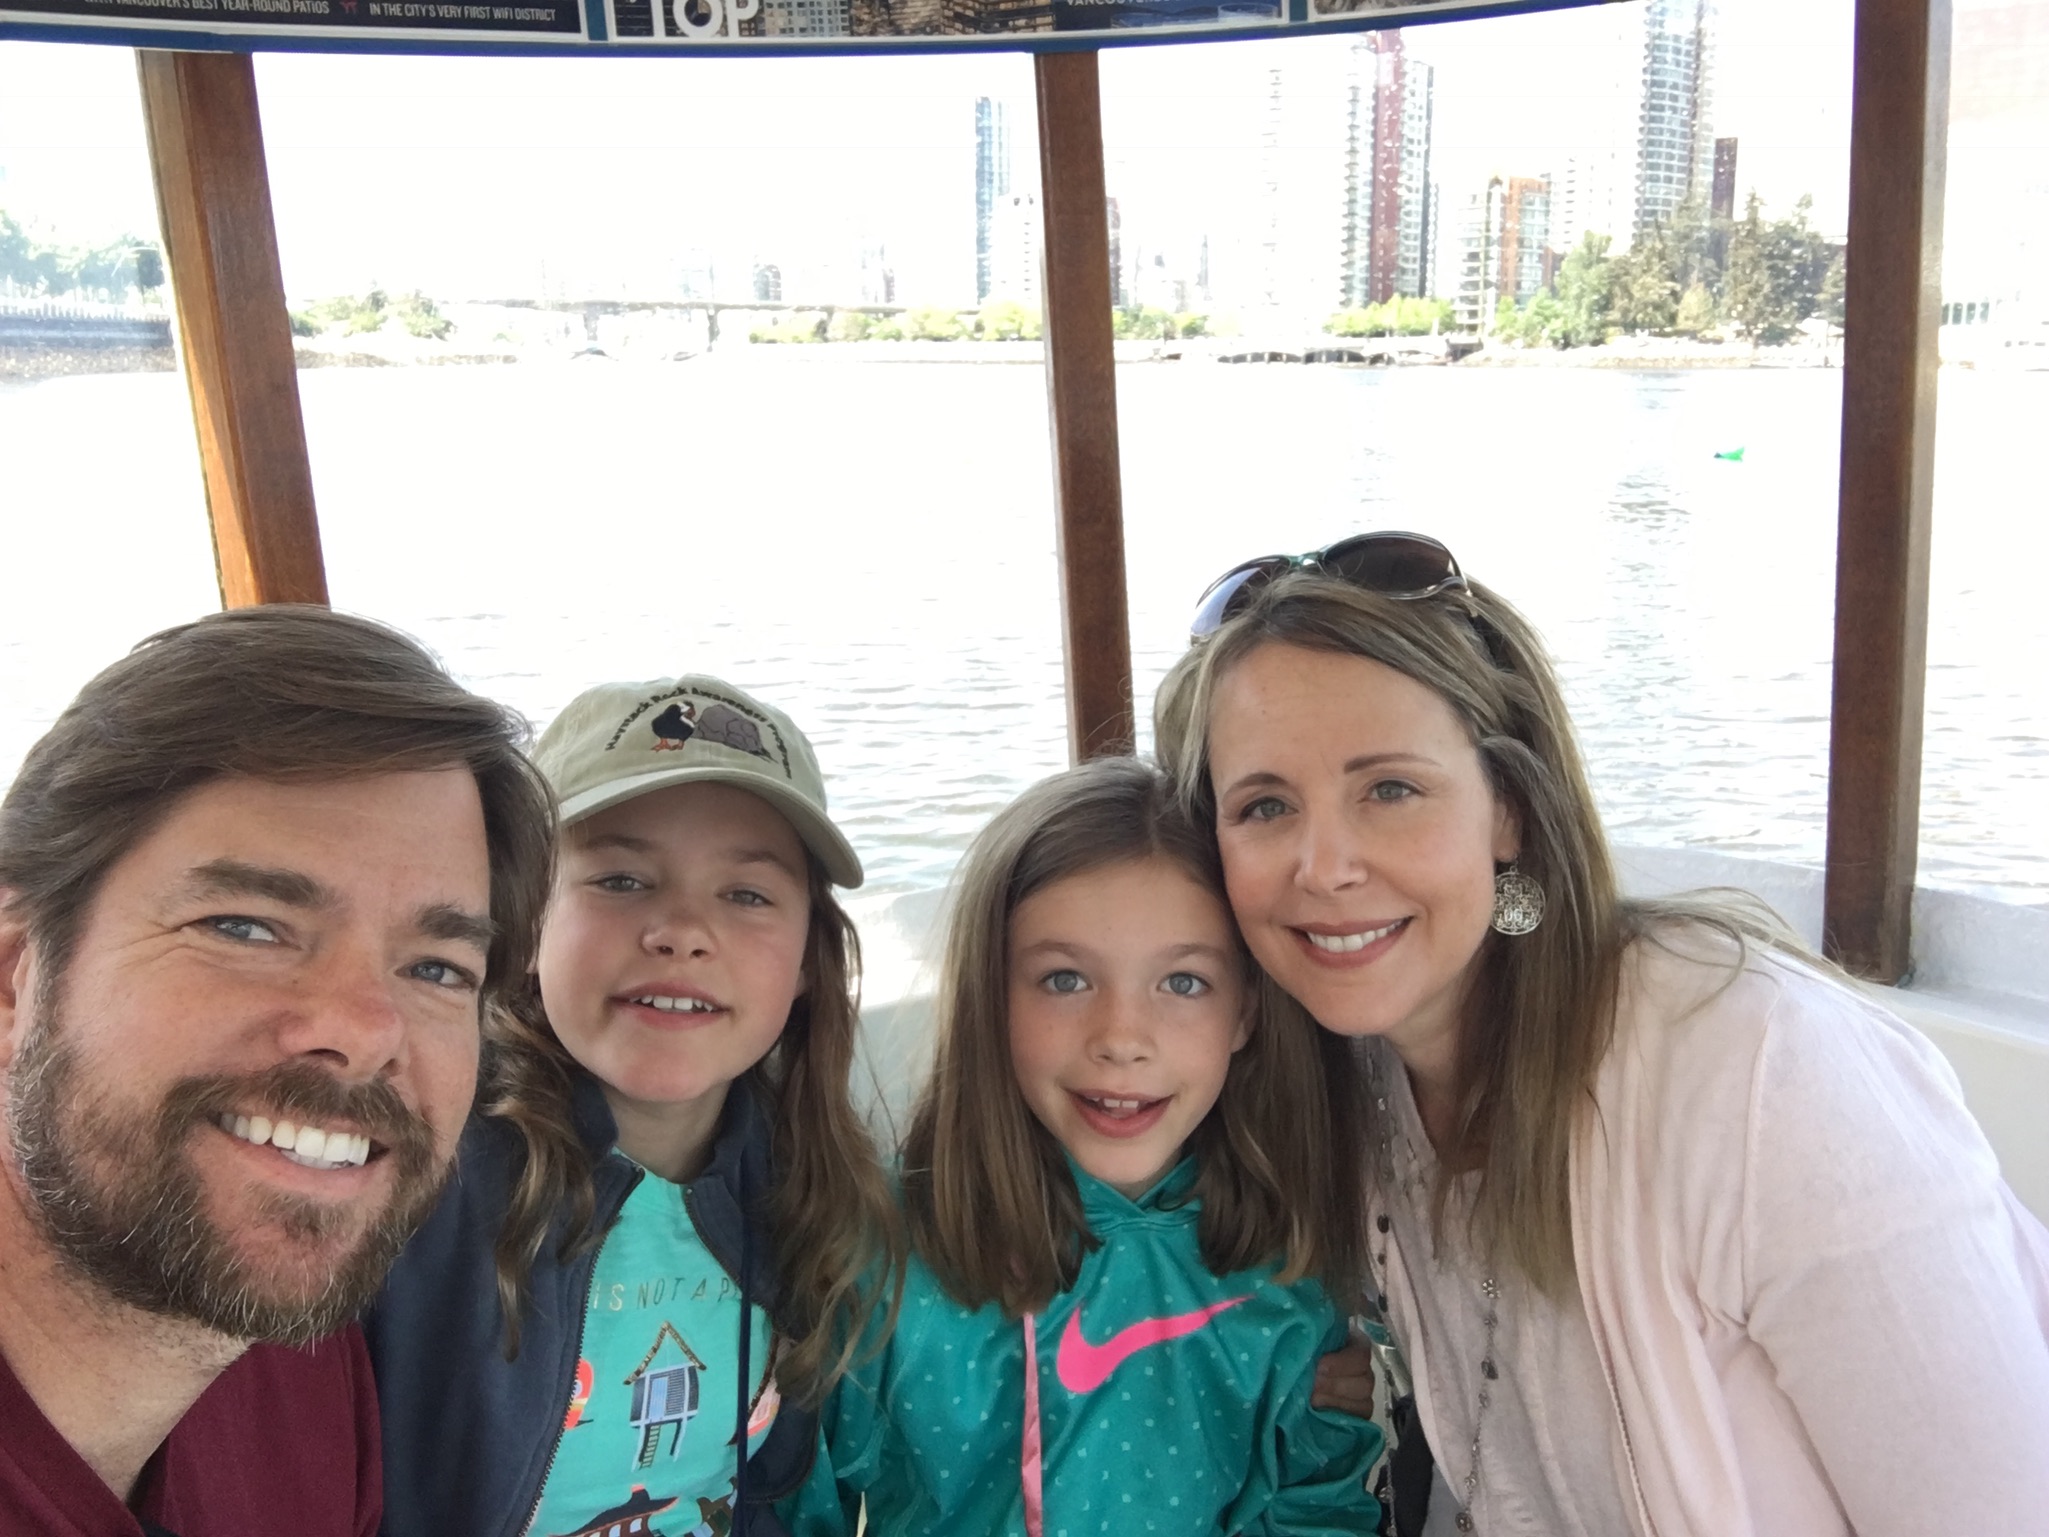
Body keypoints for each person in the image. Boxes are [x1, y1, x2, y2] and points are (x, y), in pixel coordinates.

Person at [1154, 531, 2049, 1537]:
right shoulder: (1357, 1082)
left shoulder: (1757, 1069)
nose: (1323, 866)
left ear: (1508, 810)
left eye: (1389, 789)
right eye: (1265, 805)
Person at [0, 604, 554, 1537]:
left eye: (436, 969)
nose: (366, 1031)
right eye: (245, 926)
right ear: (15, 976)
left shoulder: (290, 1354)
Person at [787, 755, 1384, 1537]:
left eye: (1183, 982)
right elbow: (798, 1504)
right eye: (1065, 979)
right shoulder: (877, 1259)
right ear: (989, 997)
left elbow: (1314, 1510)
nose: (1120, 1038)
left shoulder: (1290, 1265)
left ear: (1245, 1011)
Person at [367, 674, 902, 1537]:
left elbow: (770, 1487)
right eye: (621, 879)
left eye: (747, 894)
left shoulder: (812, 1185)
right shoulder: (418, 1172)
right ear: (522, 924)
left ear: (808, 958)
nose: (681, 930)